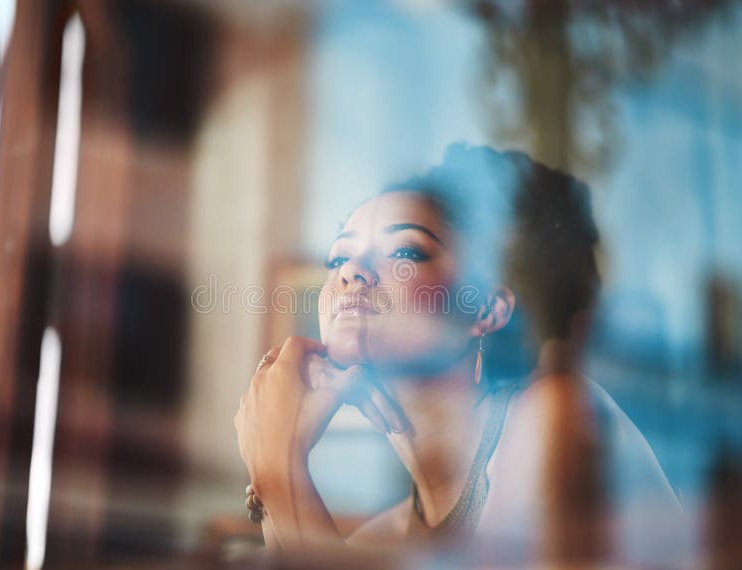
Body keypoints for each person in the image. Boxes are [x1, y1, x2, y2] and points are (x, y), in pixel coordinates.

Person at [234, 144, 685, 566]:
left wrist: (278, 465)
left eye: (405, 251)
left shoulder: (555, 417)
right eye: (339, 257)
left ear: (486, 309)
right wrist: (274, 479)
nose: (352, 272)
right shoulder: (379, 540)